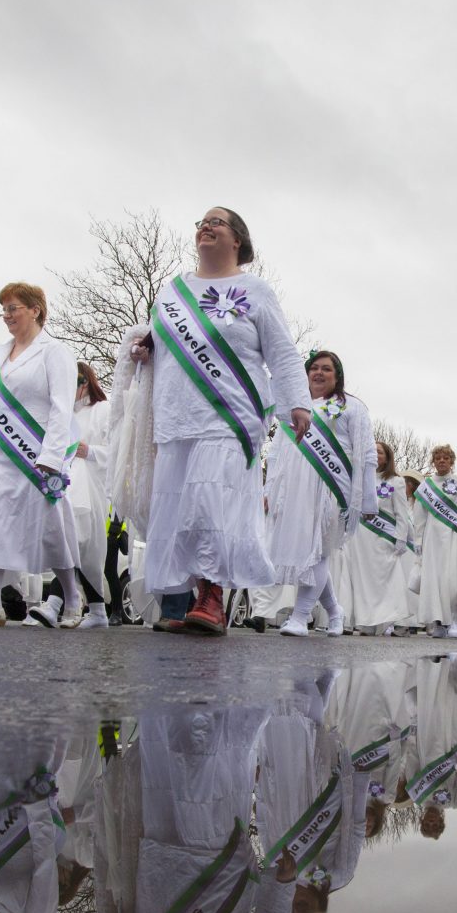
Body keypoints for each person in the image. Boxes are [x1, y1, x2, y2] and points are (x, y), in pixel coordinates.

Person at [124, 208, 310, 636]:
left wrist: (296, 402)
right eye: (201, 222)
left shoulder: (255, 290)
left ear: (238, 240)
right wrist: (144, 350)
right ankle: (182, 598)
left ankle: (212, 595)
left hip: (230, 415)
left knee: (210, 502)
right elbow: (162, 340)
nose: (206, 226)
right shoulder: (172, 292)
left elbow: (281, 351)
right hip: (176, 414)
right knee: (176, 507)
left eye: (217, 222)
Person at [0, 282, 82, 627]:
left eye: (14, 308)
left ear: (35, 310)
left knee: (50, 530)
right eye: (4, 309)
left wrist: (52, 457)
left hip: (37, 455)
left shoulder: (54, 352)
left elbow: (61, 408)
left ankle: (72, 596)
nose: (7, 315)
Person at [269, 350, 377, 638]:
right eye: (314, 368)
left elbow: (366, 454)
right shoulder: (293, 407)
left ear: (337, 375)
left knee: (318, 552)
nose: (318, 373)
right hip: (295, 489)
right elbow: (277, 452)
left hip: (331, 490)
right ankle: (334, 610)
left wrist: (368, 499)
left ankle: (301, 616)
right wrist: (270, 491)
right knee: (312, 552)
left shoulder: (352, 407)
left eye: (326, 369)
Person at [335, 440, 412, 636]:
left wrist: (400, 539)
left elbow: (401, 514)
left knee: (377, 582)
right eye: (373, 452)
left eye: (380, 453)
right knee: (352, 577)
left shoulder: (396, 481)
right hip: (358, 538)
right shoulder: (358, 479)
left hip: (381, 540)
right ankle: (349, 620)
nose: (376, 456)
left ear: (387, 458)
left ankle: (374, 621)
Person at [68, 361, 113, 629]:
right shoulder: (65, 414)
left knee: (89, 547)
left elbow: (117, 449)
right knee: (72, 540)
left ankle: (91, 609)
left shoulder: (103, 410)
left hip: (93, 487)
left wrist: (91, 452)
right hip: (68, 486)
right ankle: (85, 607)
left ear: (86, 382)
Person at [411, 445, 457, 638]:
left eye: (445, 458)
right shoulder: (426, 486)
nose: (441, 461)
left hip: (456, 536)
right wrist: (419, 540)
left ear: (451, 461)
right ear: (433, 461)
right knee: (435, 580)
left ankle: (454, 619)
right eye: (438, 458)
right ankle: (438, 622)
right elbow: (419, 516)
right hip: (433, 539)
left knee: (454, 580)